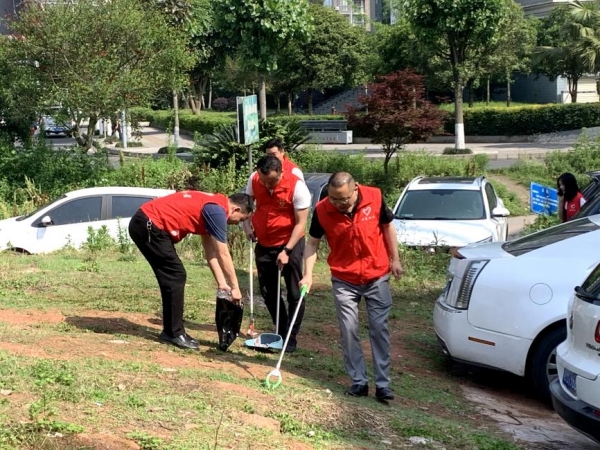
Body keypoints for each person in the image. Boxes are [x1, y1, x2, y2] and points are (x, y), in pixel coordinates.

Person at [299, 172, 403, 401]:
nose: (339, 204)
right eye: (335, 199)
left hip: (376, 275)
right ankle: (359, 381)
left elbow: (388, 227)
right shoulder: (323, 210)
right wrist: (308, 275)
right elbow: (312, 243)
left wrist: (395, 259)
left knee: (378, 328)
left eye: (344, 199)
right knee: (348, 329)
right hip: (344, 279)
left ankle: (383, 384)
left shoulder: (375, 197)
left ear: (356, 188)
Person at [129, 190, 253, 350]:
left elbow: (211, 253)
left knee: (172, 276)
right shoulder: (217, 212)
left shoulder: (213, 206)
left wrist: (222, 283)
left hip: (146, 222)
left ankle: (172, 331)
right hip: (149, 224)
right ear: (236, 209)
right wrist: (235, 288)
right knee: (175, 275)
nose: (238, 224)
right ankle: (173, 333)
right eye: (241, 219)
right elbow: (223, 254)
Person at [243, 155, 311, 352]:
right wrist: (246, 225)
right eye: (264, 181)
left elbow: (301, 224)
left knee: (294, 291)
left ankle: (291, 335)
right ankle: (280, 331)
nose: (268, 185)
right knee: (268, 291)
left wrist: (287, 250)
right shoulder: (255, 179)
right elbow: (248, 204)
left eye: (272, 181)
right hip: (264, 243)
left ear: (281, 172)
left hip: (291, 243)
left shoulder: (297, 187)